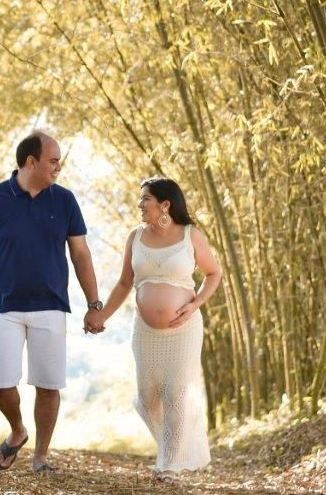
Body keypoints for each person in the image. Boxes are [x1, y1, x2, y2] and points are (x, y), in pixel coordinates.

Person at [0, 132, 103, 474]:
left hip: (51, 305)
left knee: (49, 385)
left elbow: (80, 253)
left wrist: (94, 304)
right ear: (31, 162)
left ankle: (41, 457)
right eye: (53, 160)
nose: (58, 167)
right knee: (1, 383)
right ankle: (17, 430)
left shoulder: (65, 200)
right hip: (4, 307)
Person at [98, 176, 221, 482]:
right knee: (148, 397)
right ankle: (176, 451)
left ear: (165, 204)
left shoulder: (190, 235)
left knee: (175, 393)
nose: (139, 204)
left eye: (145, 199)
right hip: (145, 331)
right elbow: (124, 283)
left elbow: (214, 273)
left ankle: (169, 465)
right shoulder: (135, 237)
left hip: (184, 329)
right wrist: (102, 316)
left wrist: (195, 304)